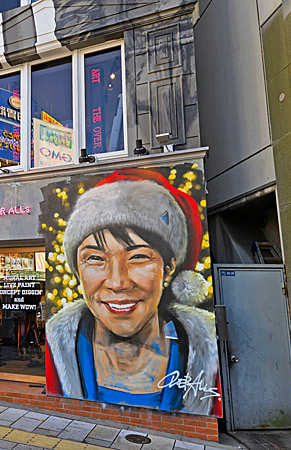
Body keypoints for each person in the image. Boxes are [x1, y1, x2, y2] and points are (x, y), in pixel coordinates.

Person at [45, 168, 221, 416]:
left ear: (168, 269)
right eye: (95, 258)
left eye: (138, 257)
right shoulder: (53, 354)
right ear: (78, 270)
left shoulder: (212, 364)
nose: (117, 282)